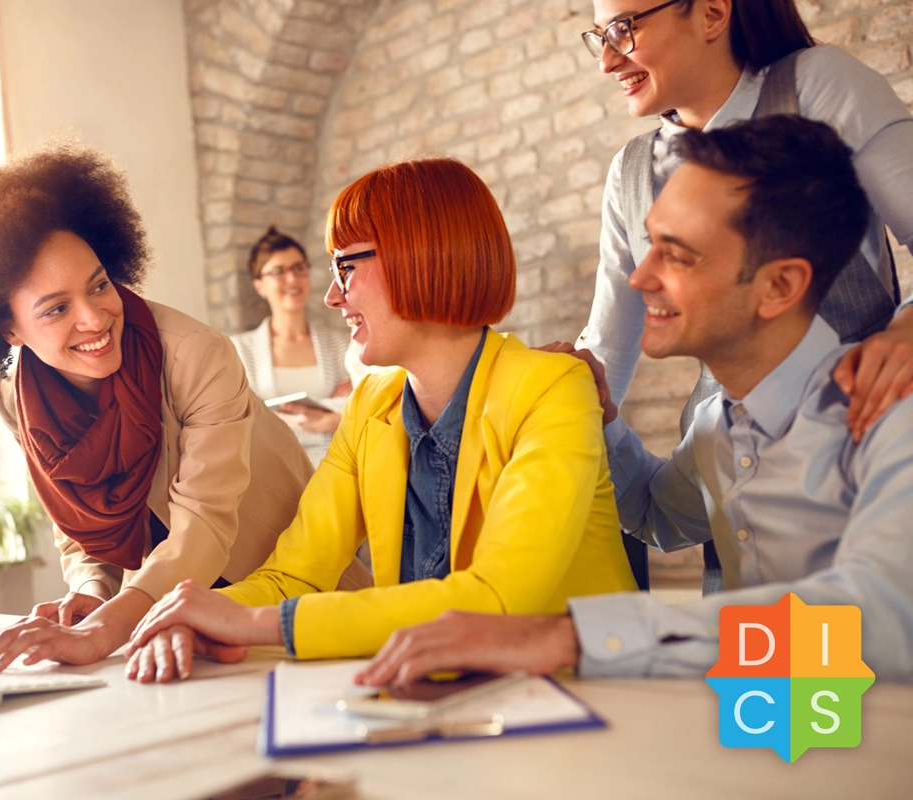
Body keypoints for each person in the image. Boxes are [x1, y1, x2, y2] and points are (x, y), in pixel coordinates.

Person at [357, 117, 913, 687]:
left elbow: (884, 617)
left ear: (778, 287)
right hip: (787, 726)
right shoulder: (718, 424)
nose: (641, 276)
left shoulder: (894, 415)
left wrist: (565, 635)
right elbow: (658, 516)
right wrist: (602, 421)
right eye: (650, 245)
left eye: (676, 255)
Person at [121, 157, 639, 683]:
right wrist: (190, 617)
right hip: (441, 701)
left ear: (421, 258)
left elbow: (496, 598)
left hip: (582, 705)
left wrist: (251, 622)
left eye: (346, 266)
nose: (331, 295)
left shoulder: (553, 388)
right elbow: (292, 573)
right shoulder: (372, 405)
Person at [0, 143, 370, 672]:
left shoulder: (198, 354)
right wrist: (92, 590)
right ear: (9, 330)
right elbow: (79, 518)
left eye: (99, 284)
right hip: (158, 611)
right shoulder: (17, 400)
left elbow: (205, 522)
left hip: (281, 599)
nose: (95, 318)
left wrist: (106, 628)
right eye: (56, 308)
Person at [577, 0, 913, 590]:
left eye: (625, 29)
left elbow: (870, 629)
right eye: (599, 35)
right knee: (764, 657)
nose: (607, 58)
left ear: (711, 14)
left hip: (862, 421)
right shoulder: (717, 434)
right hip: (736, 502)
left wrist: (905, 333)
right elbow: (606, 351)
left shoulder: (818, 84)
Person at [231, 227, 352, 466]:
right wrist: (335, 413)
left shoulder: (343, 344)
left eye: (299, 268)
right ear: (259, 286)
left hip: (336, 466)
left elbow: (365, 407)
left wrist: (333, 419)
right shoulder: (239, 350)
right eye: (278, 271)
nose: (292, 279)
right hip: (272, 471)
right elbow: (242, 420)